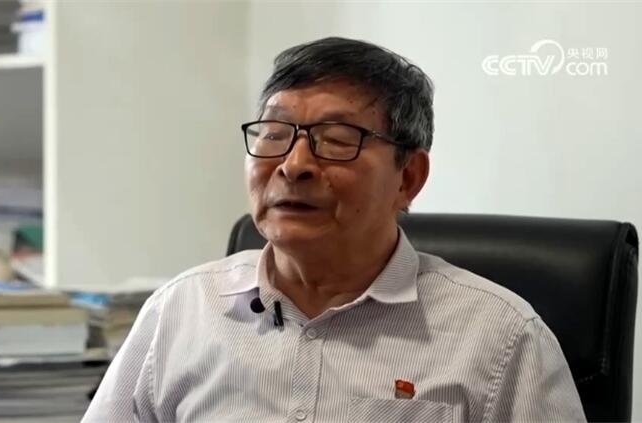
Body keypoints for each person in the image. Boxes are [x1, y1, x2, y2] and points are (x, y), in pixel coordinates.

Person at [82, 37, 585, 423]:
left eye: (338, 139)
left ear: (408, 178)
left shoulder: (500, 338)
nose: (293, 164)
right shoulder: (180, 311)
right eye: (275, 134)